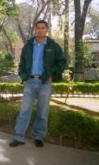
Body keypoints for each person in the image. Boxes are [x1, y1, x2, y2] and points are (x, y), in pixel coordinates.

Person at [9, 20, 66, 148]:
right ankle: (19, 137)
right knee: (24, 110)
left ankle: (39, 136)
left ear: (47, 30)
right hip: (30, 82)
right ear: (35, 29)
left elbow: (62, 62)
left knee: (42, 112)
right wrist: (23, 75)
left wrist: (52, 75)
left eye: (43, 28)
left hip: (45, 83)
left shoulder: (53, 46)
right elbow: (22, 63)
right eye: (38, 28)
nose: (40, 30)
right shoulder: (28, 46)